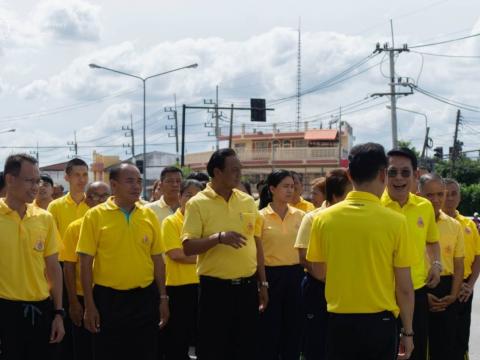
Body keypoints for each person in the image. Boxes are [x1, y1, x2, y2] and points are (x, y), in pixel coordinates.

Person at [307, 143, 416, 360]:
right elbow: (404, 287)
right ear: (383, 174)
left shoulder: (322, 218)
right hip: (381, 324)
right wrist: (408, 332)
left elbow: (318, 271)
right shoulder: (396, 222)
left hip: (339, 322)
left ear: (349, 174)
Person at [182, 148, 268, 360]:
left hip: (247, 288)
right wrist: (218, 238)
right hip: (215, 290)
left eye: (240, 169)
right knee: (214, 348)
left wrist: (263, 283)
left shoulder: (247, 200)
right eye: (234, 170)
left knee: (247, 348)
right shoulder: (197, 203)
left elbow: (255, 242)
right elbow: (188, 246)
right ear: (217, 172)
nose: (239, 174)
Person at [77, 163, 169, 360]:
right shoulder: (95, 216)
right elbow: (85, 263)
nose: (136, 186)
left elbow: (158, 261)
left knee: (145, 352)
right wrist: (89, 305)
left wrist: (162, 298)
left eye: (139, 181)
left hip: (144, 298)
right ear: (114, 185)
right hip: (108, 301)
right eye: (129, 181)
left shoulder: (148, 215)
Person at [0, 154, 65, 359]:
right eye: (29, 180)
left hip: (41, 310)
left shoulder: (44, 218)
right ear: (10, 180)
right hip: (5, 311)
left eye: (38, 181)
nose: (35, 187)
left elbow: (54, 268)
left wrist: (58, 313)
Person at [381, 147, 441, 360]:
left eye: (405, 172)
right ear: (383, 174)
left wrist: (436, 264)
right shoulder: (376, 206)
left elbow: (432, 241)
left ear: (416, 175)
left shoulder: (424, 207)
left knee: (415, 352)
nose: (399, 178)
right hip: (383, 295)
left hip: (417, 291)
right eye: (392, 172)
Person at [294, 169, 351, 360]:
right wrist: (326, 278)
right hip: (318, 288)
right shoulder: (312, 218)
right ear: (335, 196)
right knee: (317, 343)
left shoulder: (353, 218)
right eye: (348, 194)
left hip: (346, 290)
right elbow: (303, 257)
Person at [257, 170, 305, 360]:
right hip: (270, 276)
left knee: (294, 329)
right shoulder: (260, 216)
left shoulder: (301, 216)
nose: (290, 190)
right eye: (285, 186)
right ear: (272, 189)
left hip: (296, 275)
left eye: (292, 186)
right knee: (270, 329)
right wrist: (262, 283)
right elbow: (257, 254)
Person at [60, 181, 110, 360]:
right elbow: (69, 266)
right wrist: (73, 302)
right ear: (87, 200)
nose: (100, 200)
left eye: (105, 195)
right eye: (95, 196)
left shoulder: (118, 224)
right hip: (82, 296)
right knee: (84, 348)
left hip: (110, 295)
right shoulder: (75, 228)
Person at [419, 174, 464, 360]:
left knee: (445, 346)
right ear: (419, 193)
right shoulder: (410, 222)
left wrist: (453, 295)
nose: (436, 200)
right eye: (430, 195)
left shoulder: (454, 225)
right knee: (419, 346)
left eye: (440, 194)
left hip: (447, 290)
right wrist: (422, 296)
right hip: (418, 288)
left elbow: (459, 264)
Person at [48, 158, 89, 359]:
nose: (81, 180)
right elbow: (52, 246)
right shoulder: (55, 207)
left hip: (91, 270)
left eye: (84, 175)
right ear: (67, 177)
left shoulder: (94, 204)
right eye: (76, 175)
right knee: (69, 320)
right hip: (65, 268)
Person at [161, 179, 204, 360]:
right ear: (179, 198)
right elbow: (177, 254)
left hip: (204, 285)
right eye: (188, 195)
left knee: (204, 337)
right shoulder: (170, 222)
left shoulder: (205, 221)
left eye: (197, 196)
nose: (192, 199)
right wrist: (206, 258)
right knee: (178, 339)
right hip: (179, 288)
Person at [443, 178, 480, 360]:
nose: (449, 198)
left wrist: (470, 285)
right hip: (443, 287)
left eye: (453, 194)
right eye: (445, 194)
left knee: (460, 336)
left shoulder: (469, 224)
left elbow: (478, 256)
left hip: (465, 289)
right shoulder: (432, 223)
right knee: (442, 339)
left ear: (460, 197)